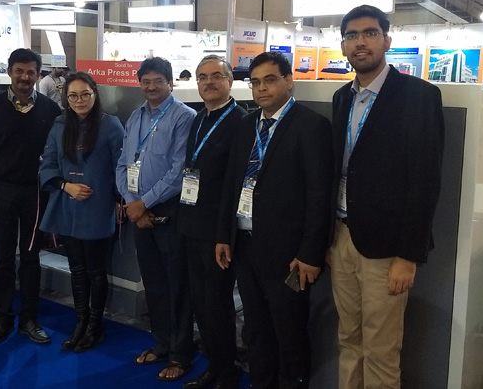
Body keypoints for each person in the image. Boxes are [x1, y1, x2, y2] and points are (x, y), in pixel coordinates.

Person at [329, 5, 444, 389]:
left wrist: (408, 256)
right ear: (343, 46)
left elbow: (425, 182)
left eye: (370, 33)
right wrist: (329, 240)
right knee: (349, 339)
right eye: (351, 35)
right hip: (342, 237)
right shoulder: (342, 97)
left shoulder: (419, 96)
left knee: (381, 349)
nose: (360, 42)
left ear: (387, 40)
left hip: (387, 249)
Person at [216, 51, 333, 389]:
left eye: (270, 80)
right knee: (256, 329)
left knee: (289, 332)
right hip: (245, 246)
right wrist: (224, 234)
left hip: (289, 255)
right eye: (255, 83)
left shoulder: (311, 126)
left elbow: (319, 196)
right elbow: (232, 184)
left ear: (288, 81)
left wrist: (310, 253)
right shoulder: (246, 125)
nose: (262, 89)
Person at [0, 48, 61, 346]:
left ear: (38, 74)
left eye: (31, 72)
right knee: (4, 258)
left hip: (36, 192)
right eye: (19, 71)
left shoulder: (50, 110)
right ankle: (3, 318)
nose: (24, 77)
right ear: (9, 72)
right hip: (0, 191)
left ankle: (29, 320)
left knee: (31, 258)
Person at [115, 57, 197, 382]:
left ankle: (181, 354)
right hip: (139, 213)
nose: (151, 87)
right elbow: (123, 163)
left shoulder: (184, 117)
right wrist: (131, 202)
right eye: (145, 81)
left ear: (170, 83)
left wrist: (143, 203)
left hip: (170, 212)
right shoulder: (135, 116)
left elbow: (179, 172)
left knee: (178, 285)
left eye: (157, 81)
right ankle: (162, 342)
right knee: (154, 283)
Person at [39, 71, 125, 352]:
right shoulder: (59, 125)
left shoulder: (110, 125)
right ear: (66, 98)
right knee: (77, 269)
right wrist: (66, 186)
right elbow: (48, 165)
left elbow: (121, 168)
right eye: (73, 96)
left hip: (98, 208)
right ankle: (81, 323)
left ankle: (94, 327)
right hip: (67, 206)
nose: (79, 100)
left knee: (96, 271)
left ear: (95, 93)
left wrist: (121, 200)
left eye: (85, 94)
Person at [176, 55, 246, 389]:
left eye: (216, 76)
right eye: (202, 77)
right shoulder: (198, 118)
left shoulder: (241, 122)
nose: (208, 82)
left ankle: (227, 373)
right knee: (201, 304)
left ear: (230, 81)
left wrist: (224, 235)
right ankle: (214, 366)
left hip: (218, 233)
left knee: (217, 305)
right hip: (191, 224)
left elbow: (235, 186)